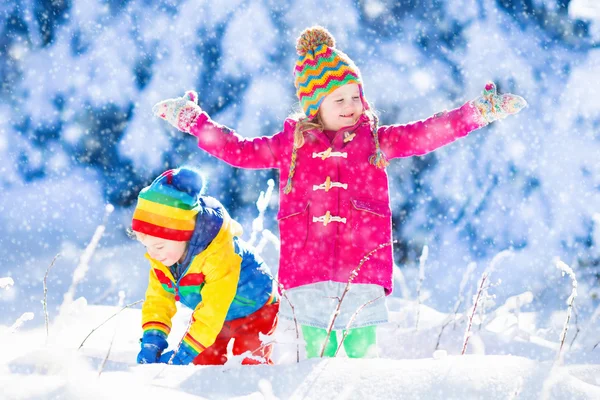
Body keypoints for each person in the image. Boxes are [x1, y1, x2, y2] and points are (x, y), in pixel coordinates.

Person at [152, 26, 527, 358]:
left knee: (360, 354)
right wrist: (194, 121)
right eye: (339, 99)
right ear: (315, 106)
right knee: (317, 356)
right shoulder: (291, 145)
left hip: (361, 270)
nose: (351, 106)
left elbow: (427, 133)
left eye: (355, 96)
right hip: (307, 271)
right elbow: (238, 150)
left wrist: (476, 113)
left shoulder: (376, 142)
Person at [132, 166, 279, 365]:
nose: (153, 254)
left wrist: (183, 354)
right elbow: (158, 299)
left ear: (184, 235)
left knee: (250, 365)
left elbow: (212, 312)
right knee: (204, 363)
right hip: (216, 316)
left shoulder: (217, 255)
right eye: (146, 246)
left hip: (256, 309)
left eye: (158, 245)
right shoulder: (165, 257)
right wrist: (152, 339)